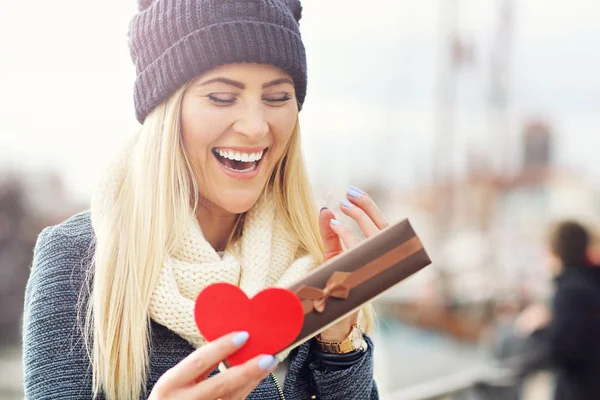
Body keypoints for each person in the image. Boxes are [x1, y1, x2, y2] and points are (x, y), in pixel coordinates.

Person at [22, 1, 386, 399]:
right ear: (167, 111)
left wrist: (339, 340)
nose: (254, 126)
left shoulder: (317, 263)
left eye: (278, 97)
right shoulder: (79, 260)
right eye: (221, 97)